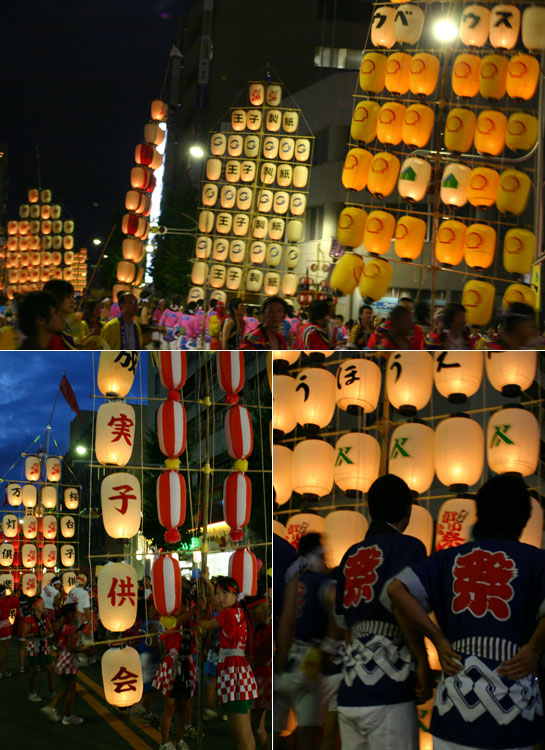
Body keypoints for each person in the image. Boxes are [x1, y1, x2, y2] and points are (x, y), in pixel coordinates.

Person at [389, 474, 545, 750]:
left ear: (481, 513)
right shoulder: (534, 560)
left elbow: (397, 590)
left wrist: (437, 640)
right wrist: (533, 649)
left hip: (455, 708)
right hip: (515, 708)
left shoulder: (448, 559)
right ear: (523, 519)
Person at [334, 475, 430, 750]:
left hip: (351, 684)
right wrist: (422, 661)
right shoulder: (409, 547)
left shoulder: (351, 554)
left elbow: (341, 619)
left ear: (370, 509)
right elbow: (404, 605)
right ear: (408, 511)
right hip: (391, 686)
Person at [274, 533, 332, 749]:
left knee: (275, 734)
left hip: (281, 659)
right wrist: (330, 644)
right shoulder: (323, 583)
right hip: (309, 662)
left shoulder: (287, 577)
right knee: (310, 735)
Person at [199, 573, 258, 750]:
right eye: (218, 593)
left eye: (225, 593)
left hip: (234, 676)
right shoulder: (239, 612)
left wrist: (198, 612)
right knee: (246, 735)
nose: (220, 597)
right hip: (240, 672)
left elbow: (204, 625)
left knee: (242, 738)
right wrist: (209, 585)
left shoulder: (227, 615)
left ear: (235, 595)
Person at [152, 598, 201, 750]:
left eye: (184, 605)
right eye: (179, 606)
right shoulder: (169, 621)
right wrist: (196, 609)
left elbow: (199, 638)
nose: (181, 608)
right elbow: (178, 622)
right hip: (172, 665)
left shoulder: (192, 625)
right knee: (169, 707)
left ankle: (180, 740)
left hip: (187, 665)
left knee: (182, 707)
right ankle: (165, 742)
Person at [40, 603, 93, 725]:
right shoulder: (70, 628)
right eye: (76, 612)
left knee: (69, 689)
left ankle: (53, 708)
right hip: (68, 661)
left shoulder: (64, 626)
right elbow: (71, 648)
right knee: (71, 690)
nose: (79, 614)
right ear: (71, 614)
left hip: (64, 660)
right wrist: (85, 650)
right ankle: (67, 716)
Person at [245, 594, 272, 750]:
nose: (267, 611)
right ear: (252, 611)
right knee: (255, 727)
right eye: (263, 609)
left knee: (252, 726)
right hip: (249, 678)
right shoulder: (246, 629)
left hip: (261, 679)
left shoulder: (267, 630)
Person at [23, 595, 55, 702]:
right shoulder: (30, 619)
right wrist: (38, 633)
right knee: (34, 670)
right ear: (34, 606)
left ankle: (51, 692)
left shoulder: (45, 618)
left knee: (50, 668)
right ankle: (32, 693)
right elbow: (25, 635)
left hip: (44, 645)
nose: (43, 605)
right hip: (33, 647)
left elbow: (51, 630)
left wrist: (48, 633)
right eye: (40, 603)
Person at [43, 279, 80, 348]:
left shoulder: (63, 329)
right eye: (67, 297)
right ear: (56, 297)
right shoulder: (50, 334)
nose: (73, 301)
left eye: (72, 296)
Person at [0, 583, 20, 678]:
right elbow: (16, 602)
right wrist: (10, 591)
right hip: (4, 628)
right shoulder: (5, 602)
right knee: (3, 651)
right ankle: (0, 671)